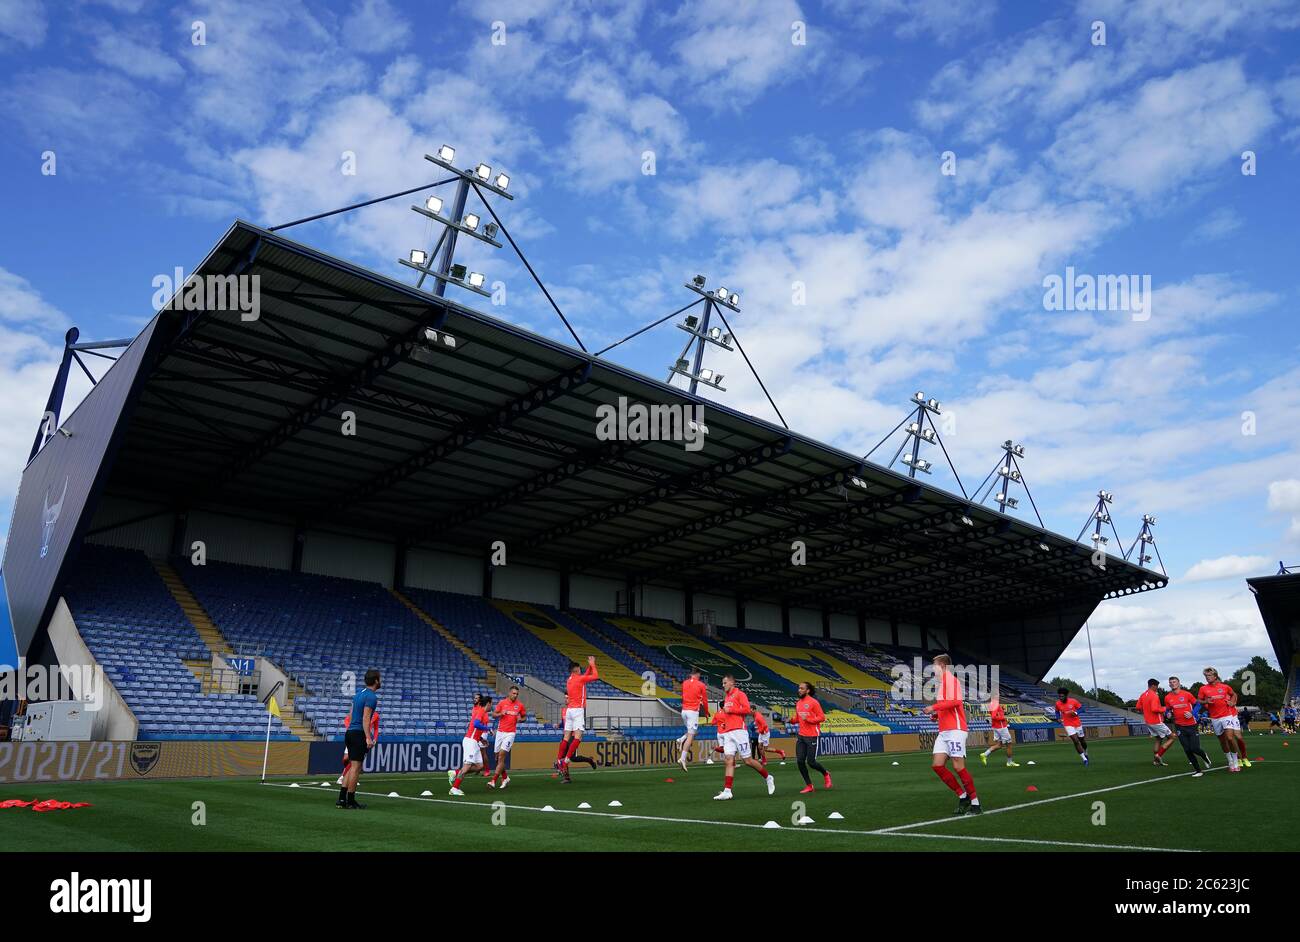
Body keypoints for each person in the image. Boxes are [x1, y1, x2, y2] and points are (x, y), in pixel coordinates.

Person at [924, 654, 979, 814]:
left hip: (955, 729)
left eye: (934, 665)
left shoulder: (951, 680)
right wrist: (936, 715)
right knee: (937, 765)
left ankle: (975, 802)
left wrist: (933, 708)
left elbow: (956, 702)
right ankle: (963, 796)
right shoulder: (942, 684)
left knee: (958, 766)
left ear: (942, 666)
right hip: (944, 731)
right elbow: (947, 706)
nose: (932, 668)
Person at [712, 675, 775, 800]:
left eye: (725, 683)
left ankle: (768, 777)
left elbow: (746, 709)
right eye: (722, 683)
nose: (723, 685)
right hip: (728, 732)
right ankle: (727, 790)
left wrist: (731, 710)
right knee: (729, 760)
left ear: (731, 683)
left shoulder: (740, 694)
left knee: (748, 761)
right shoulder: (728, 697)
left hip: (739, 732)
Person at [338, 669, 380, 809]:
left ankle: (342, 799)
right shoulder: (371, 697)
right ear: (375, 681)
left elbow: (350, 715)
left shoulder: (358, 695)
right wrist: (368, 737)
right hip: (358, 734)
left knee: (351, 767)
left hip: (350, 732)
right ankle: (351, 801)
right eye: (379, 679)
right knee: (356, 768)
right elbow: (366, 718)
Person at [1198, 668, 1251, 772]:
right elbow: (1199, 700)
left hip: (1227, 715)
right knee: (1222, 741)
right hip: (1214, 717)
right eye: (1206, 676)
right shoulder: (1203, 688)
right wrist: (1205, 701)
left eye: (1209, 675)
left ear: (1215, 676)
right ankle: (1230, 761)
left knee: (1230, 738)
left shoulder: (1225, 686)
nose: (1207, 678)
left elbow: (1234, 694)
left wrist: (1232, 702)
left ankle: (1238, 761)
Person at [555, 657, 598, 783]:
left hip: (569, 711)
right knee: (578, 738)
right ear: (577, 669)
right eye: (580, 669)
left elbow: (584, 676)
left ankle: (559, 760)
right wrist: (593, 665)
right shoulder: (580, 678)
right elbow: (595, 676)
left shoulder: (569, 680)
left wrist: (588, 667)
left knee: (566, 737)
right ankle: (566, 760)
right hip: (578, 710)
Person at [1165, 676, 1212, 776]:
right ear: (1169, 685)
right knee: (1187, 749)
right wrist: (1167, 714)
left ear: (1179, 683)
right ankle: (1198, 770)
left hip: (1191, 725)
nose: (1173, 683)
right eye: (1171, 682)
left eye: (1174, 682)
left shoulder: (1187, 694)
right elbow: (1167, 709)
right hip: (1179, 726)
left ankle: (1204, 756)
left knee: (1194, 748)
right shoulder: (1167, 697)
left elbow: (1198, 705)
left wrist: (1192, 713)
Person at [792, 681, 831, 793]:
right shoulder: (798, 703)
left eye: (802, 688)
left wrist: (809, 719)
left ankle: (826, 773)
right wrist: (791, 720)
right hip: (801, 736)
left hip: (812, 736)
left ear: (808, 690)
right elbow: (797, 718)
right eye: (799, 688)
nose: (799, 690)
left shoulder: (814, 702)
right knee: (800, 761)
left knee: (811, 762)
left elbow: (822, 717)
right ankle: (809, 785)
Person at [449, 694, 492, 796]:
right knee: (467, 766)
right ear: (488, 703)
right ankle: (454, 788)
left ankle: (455, 773)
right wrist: (488, 729)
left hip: (475, 741)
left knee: (479, 766)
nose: (492, 706)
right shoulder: (481, 711)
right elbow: (476, 724)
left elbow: (476, 728)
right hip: (470, 741)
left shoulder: (482, 712)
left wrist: (481, 739)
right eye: (491, 704)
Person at [488, 686, 526, 789]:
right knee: (497, 758)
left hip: (510, 733)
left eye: (517, 694)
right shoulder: (502, 703)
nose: (515, 695)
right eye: (514, 693)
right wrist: (501, 713)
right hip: (500, 732)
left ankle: (493, 781)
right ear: (509, 693)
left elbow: (524, 717)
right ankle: (505, 777)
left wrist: (520, 719)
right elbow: (494, 715)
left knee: (501, 756)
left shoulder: (520, 705)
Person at [1136, 679, 1176, 767]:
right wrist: (1165, 708)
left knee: (1159, 739)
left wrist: (1146, 710)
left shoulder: (1143, 694)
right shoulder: (1154, 695)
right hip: (1156, 721)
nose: (1157, 688)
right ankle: (1158, 756)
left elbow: (1138, 707)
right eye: (1157, 686)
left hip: (1148, 721)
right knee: (1172, 737)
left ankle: (1155, 761)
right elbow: (1154, 709)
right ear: (1153, 686)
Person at [677, 668, 710, 771]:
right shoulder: (701, 685)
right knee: (691, 736)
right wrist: (706, 712)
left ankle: (680, 739)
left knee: (693, 732)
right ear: (697, 674)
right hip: (693, 712)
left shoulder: (684, 683)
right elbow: (704, 700)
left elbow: (683, 696)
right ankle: (682, 759)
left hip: (684, 711)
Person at [337, 705, 379, 786]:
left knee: (356, 761)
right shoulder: (360, 713)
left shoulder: (376, 715)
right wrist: (351, 729)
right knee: (346, 759)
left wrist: (375, 739)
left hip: (365, 739)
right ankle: (349, 775)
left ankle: (344, 777)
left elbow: (376, 728)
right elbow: (346, 720)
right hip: (354, 737)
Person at [978, 698, 1019, 767]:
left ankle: (985, 754)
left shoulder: (991, 705)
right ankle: (1009, 762)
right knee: (1009, 745)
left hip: (996, 727)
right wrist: (1003, 718)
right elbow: (994, 717)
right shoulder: (995, 705)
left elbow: (995, 714)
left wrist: (1002, 713)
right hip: (1001, 727)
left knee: (999, 745)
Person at [1054, 687, 1089, 765]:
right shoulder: (1058, 703)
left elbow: (1082, 709)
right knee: (1075, 741)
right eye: (1059, 696)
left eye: (1062, 696)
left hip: (1077, 723)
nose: (1060, 698)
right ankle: (1084, 759)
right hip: (1067, 724)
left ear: (1066, 696)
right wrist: (1058, 718)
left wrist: (1076, 713)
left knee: (1082, 740)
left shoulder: (1073, 701)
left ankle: (1086, 752)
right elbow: (1056, 711)